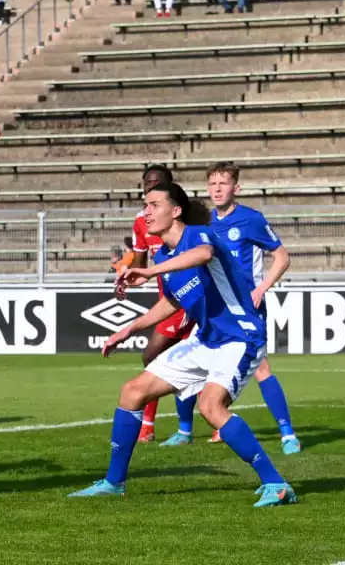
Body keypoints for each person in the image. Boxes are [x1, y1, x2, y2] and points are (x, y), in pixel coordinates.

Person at [69, 183, 298, 508]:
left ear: (176, 210)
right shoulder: (164, 254)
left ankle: (276, 483)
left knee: (210, 407)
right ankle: (113, 482)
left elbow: (203, 255)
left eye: (153, 205)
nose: (145, 212)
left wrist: (148, 271)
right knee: (132, 391)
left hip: (240, 336)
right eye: (144, 205)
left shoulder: (198, 236)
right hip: (205, 339)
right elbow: (174, 301)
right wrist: (127, 329)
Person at [177, 162, 299, 453]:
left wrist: (261, 288)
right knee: (194, 360)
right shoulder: (206, 224)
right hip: (217, 308)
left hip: (246, 305)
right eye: (212, 185)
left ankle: (287, 434)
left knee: (260, 368)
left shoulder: (250, 219)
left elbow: (281, 257)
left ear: (236, 188)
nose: (217, 190)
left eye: (223, 184)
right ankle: (198, 427)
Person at [126, 164, 197, 444]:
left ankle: (161, 426)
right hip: (169, 298)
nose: (151, 185)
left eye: (157, 182)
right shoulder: (142, 221)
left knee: (154, 355)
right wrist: (129, 274)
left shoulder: (186, 218)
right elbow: (141, 263)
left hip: (191, 297)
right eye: (147, 182)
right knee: (175, 360)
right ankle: (170, 427)